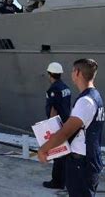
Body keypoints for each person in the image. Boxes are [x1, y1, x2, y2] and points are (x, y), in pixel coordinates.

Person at [38, 59, 104, 197]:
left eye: (73, 70)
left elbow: (65, 133)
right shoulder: (95, 96)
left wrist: (44, 149)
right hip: (90, 158)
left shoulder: (85, 101)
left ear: (78, 72)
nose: (71, 74)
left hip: (81, 163)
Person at [42, 62, 71, 190]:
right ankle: (64, 181)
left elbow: (53, 108)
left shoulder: (53, 89)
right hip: (66, 123)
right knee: (64, 155)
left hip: (57, 125)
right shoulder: (66, 88)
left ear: (50, 74)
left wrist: (51, 127)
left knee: (57, 154)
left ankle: (57, 182)